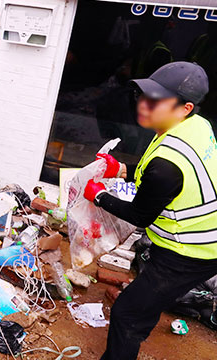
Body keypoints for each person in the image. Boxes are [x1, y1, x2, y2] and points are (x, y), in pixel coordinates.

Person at [83, 62, 217, 359]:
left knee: (126, 314)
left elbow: (141, 215)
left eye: (156, 100)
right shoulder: (197, 125)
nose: (144, 105)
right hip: (202, 238)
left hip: (191, 251)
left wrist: (100, 196)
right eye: (144, 96)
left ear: (185, 107)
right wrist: (121, 170)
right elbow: (158, 177)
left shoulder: (168, 162)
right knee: (145, 303)